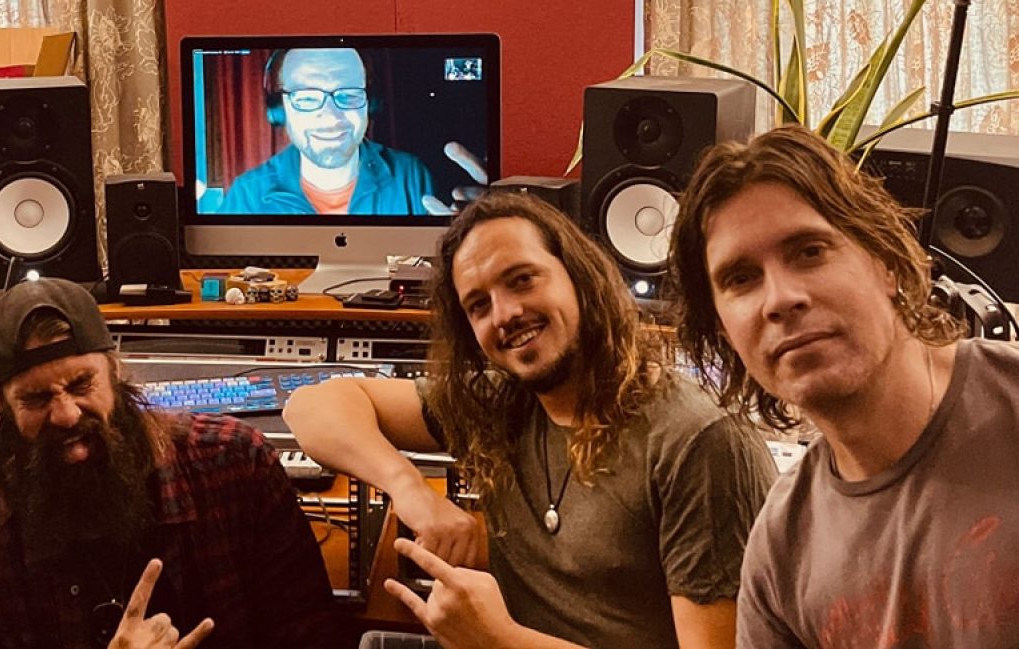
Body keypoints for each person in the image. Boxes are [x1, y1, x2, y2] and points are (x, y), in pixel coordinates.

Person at [284, 191, 777, 648]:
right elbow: (311, 406)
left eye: (522, 279)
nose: (505, 314)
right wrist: (409, 489)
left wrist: (499, 639)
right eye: (479, 305)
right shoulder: (501, 402)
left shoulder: (699, 442)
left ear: (578, 275)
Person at [671, 124, 1019, 647]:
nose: (780, 299)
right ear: (724, 330)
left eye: (809, 251)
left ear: (886, 262)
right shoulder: (781, 550)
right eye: (741, 278)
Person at [0, 278, 339, 648]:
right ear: (3, 407)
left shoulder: (237, 466)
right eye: (36, 399)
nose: (67, 415)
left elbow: (312, 637)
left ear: (115, 373)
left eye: (81, 384)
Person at [217, 47, 486, 216]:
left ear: (371, 104)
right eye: (306, 98)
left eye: (348, 95)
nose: (331, 116)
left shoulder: (411, 174)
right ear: (279, 110)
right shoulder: (246, 195)